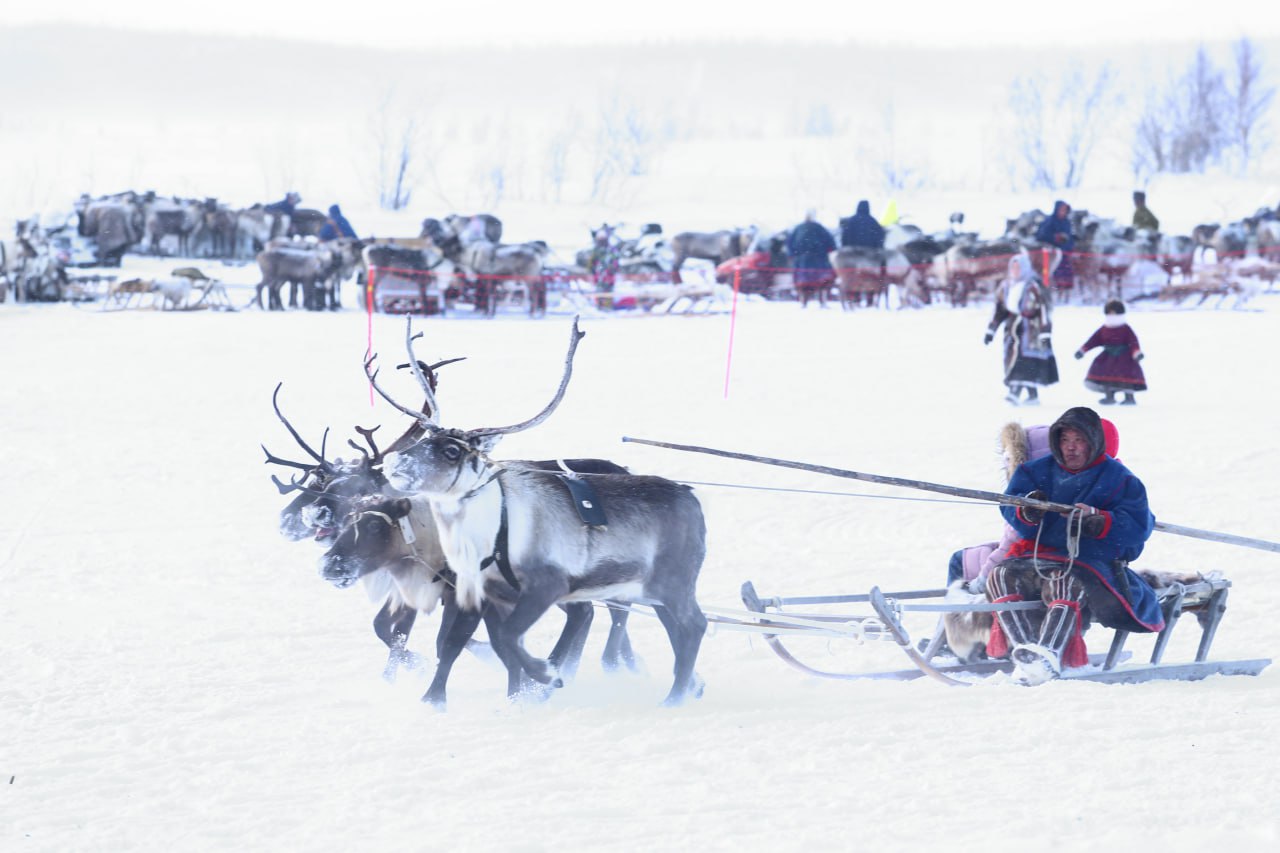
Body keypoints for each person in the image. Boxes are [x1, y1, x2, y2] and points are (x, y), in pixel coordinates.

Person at [984, 406, 1161, 685]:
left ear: (1093, 442)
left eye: (1079, 441)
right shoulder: (1034, 472)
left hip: (1086, 560)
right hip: (1034, 555)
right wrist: (1028, 510)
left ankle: (1049, 654)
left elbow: (1138, 527)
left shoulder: (1120, 479)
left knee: (1064, 581)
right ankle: (1027, 652)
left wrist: (1099, 521)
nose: (1071, 448)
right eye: (1065, 440)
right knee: (1000, 576)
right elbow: (1011, 505)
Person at [984, 254, 1059, 406]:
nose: (1015, 270)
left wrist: (1045, 332)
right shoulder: (1006, 286)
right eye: (1013, 267)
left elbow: (1043, 309)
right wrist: (991, 330)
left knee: (1025, 361)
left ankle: (1014, 392)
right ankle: (1032, 396)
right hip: (1012, 329)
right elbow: (999, 310)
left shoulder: (1033, 285)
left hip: (1031, 330)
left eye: (1018, 267)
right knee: (1013, 358)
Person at [1074, 299, 1146, 406]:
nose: (1112, 314)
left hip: (1124, 358)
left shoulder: (1125, 329)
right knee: (1105, 377)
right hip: (1107, 358)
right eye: (1110, 312)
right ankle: (1109, 396)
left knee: (1126, 379)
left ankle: (1129, 398)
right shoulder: (1104, 329)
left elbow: (1133, 342)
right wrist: (1082, 350)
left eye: (1114, 312)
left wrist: (1136, 353)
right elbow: (1093, 340)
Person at [786, 209, 836, 308]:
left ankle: (804, 302)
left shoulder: (798, 228)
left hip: (802, 262)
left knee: (803, 283)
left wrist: (793, 255)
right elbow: (831, 243)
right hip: (819, 261)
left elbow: (790, 244)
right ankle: (822, 301)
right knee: (822, 282)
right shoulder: (820, 228)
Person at [1034, 199, 1075, 290]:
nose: (1063, 212)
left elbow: (1070, 237)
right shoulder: (1049, 221)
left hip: (1065, 251)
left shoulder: (1067, 222)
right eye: (1061, 209)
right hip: (1050, 251)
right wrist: (1055, 237)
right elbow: (1041, 235)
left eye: (1065, 210)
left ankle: (1065, 286)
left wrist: (1068, 242)